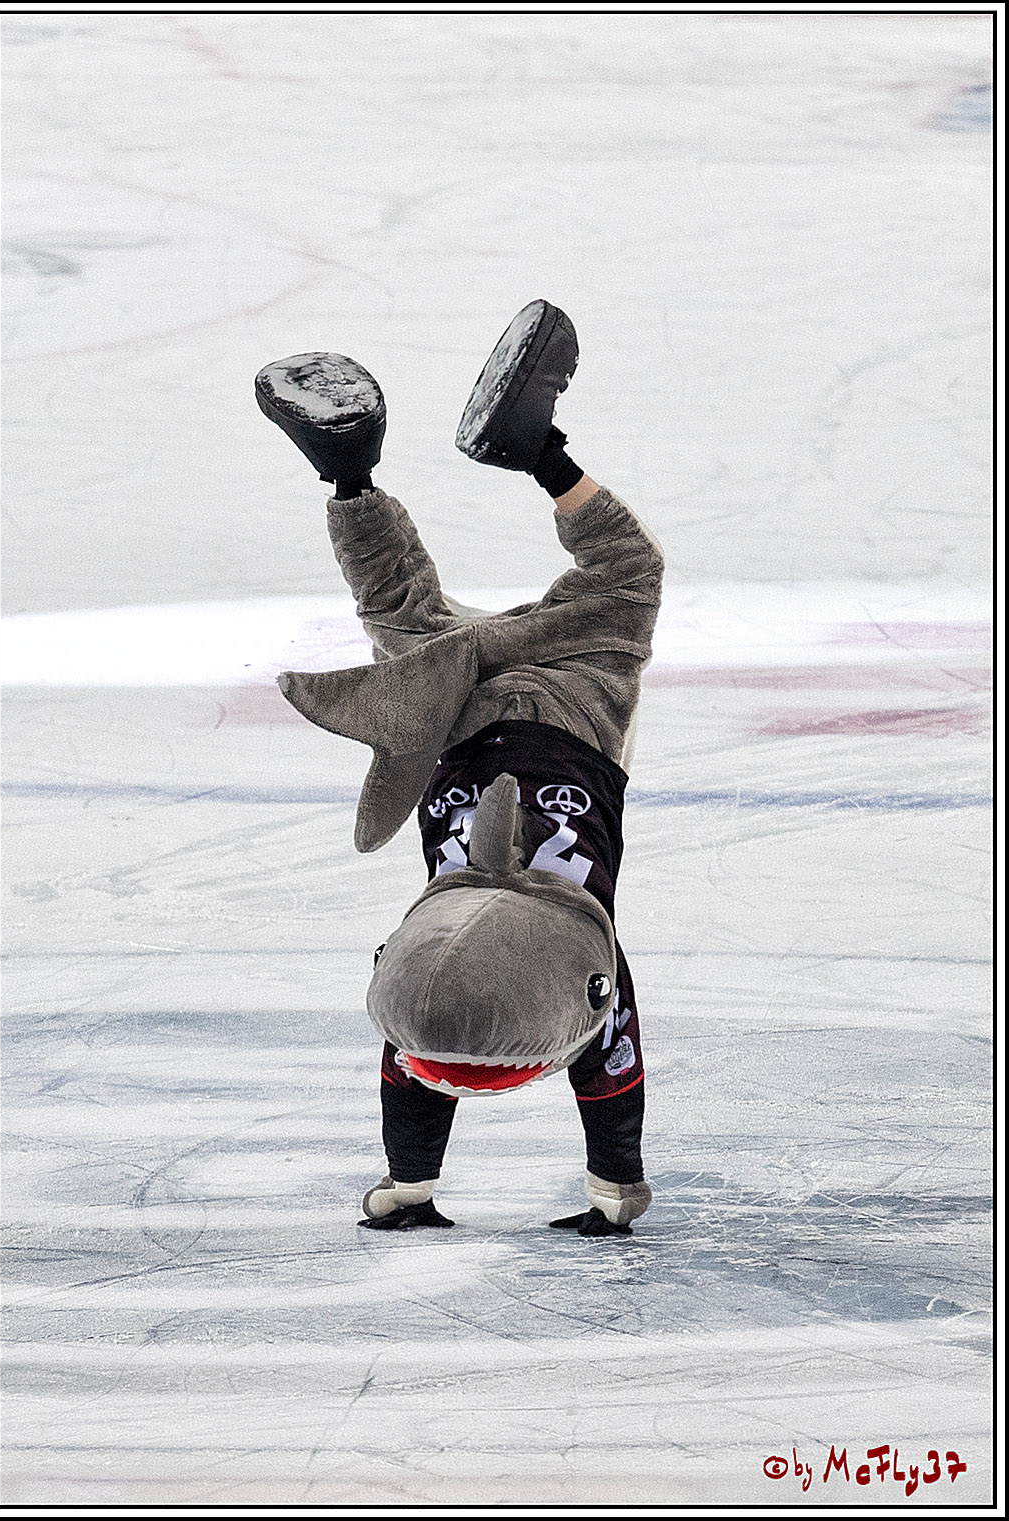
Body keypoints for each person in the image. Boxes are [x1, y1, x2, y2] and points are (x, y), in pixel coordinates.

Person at [255, 301, 664, 1236]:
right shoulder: (439, 967)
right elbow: (412, 1042)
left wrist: (613, 1192)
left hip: (571, 695)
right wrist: (408, 1187)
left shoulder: (579, 956)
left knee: (628, 575)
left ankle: (534, 447)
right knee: (399, 610)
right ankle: (349, 469)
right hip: (444, 708)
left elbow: (612, 1060)